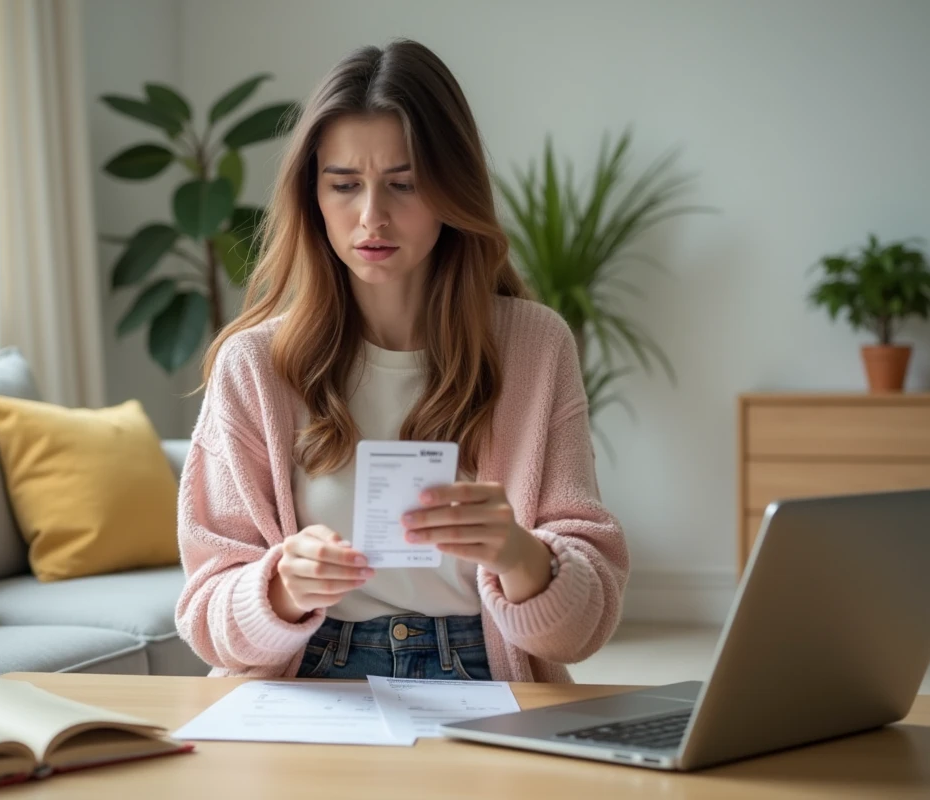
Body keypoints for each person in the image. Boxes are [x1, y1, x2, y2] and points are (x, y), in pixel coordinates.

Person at [174, 38, 628, 683]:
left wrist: (522, 556)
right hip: (308, 676)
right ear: (313, 198)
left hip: (485, 671)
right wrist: (280, 587)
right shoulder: (254, 366)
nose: (371, 217)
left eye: (404, 184)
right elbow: (205, 615)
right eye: (344, 185)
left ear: (452, 190)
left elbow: (583, 629)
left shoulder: (533, 347)